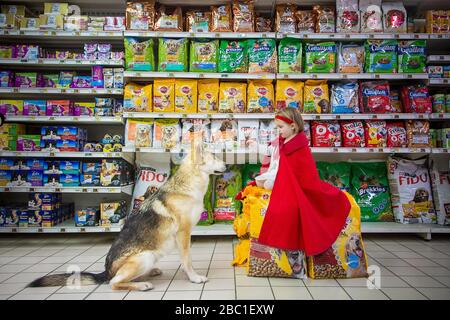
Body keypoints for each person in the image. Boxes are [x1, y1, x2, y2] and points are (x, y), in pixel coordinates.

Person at [255, 107, 351, 256]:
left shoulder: (297, 145)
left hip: (301, 186)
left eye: (280, 127)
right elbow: (284, 168)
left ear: (293, 126)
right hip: (286, 183)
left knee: (285, 209)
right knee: (267, 189)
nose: (278, 131)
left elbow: (304, 172)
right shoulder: (286, 141)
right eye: (277, 127)